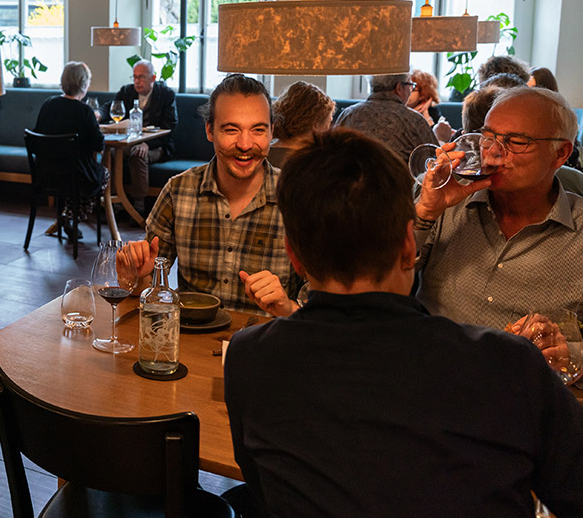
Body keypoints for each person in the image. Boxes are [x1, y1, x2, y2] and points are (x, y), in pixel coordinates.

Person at [224, 128, 583, 518]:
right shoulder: (509, 364)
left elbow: (263, 490)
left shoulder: (248, 357)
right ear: (409, 247)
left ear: (294, 256)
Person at [415, 86, 583, 367]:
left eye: (516, 142)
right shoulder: (445, 199)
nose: (492, 154)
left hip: (523, 394)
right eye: (487, 137)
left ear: (560, 153)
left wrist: (572, 355)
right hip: (432, 374)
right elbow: (371, 278)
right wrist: (425, 213)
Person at [119, 74, 294, 313]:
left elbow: (319, 306)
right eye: (231, 129)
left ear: (271, 132)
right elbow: (147, 287)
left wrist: (287, 307)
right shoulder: (178, 191)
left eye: (258, 130)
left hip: (269, 343)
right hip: (193, 342)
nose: (244, 144)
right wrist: (137, 276)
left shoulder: (298, 197)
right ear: (210, 130)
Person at [33, 61, 107, 237]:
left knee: (76, 174)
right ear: (84, 84)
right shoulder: (85, 112)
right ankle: (71, 217)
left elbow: (37, 138)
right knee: (103, 174)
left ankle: (66, 217)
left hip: (46, 173)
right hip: (76, 176)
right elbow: (98, 145)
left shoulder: (48, 104)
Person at [108, 60, 178, 210]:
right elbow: (110, 107)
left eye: (141, 77)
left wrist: (147, 144)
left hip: (158, 145)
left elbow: (170, 127)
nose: (137, 81)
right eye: (134, 77)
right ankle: (114, 203)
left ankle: (139, 206)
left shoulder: (166, 95)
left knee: (138, 153)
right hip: (130, 141)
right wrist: (99, 115)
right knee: (112, 153)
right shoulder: (127, 92)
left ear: (152, 78)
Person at [332, 73, 437, 164]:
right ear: (399, 88)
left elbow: (333, 155)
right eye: (410, 86)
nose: (410, 92)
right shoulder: (414, 120)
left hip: (350, 184)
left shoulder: (348, 114)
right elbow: (433, 163)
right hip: (398, 186)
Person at [266, 81, 334, 168]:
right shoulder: (317, 164)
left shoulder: (261, 155)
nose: (329, 130)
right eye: (328, 123)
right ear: (316, 124)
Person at [406, 68, 452, 142]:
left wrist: (427, 117)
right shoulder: (396, 108)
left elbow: (439, 141)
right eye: (406, 86)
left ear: (422, 95)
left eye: (412, 89)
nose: (407, 91)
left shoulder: (432, 111)